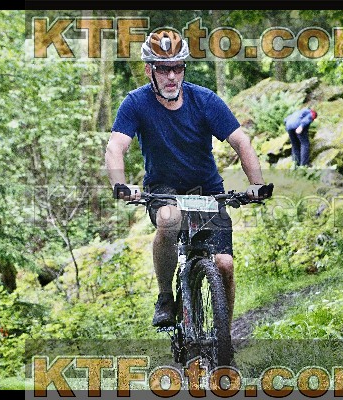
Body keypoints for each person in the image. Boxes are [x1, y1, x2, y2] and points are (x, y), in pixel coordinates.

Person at [105, 30, 272, 329]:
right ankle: (165, 297)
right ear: (149, 70)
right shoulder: (135, 103)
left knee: (224, 264)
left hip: (207, 190)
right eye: (163, 69)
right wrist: (121, 184)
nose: (171, 76)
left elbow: (241, 142)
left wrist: (256, 185)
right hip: (163, 190)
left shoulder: (204, 100)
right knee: (169, 219)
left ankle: (224, 338)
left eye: (177, 68)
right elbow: (116, 146)